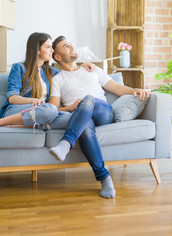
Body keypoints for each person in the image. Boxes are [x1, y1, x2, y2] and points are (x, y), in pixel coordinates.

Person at [47, 36, 151, 199]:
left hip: (103, 112)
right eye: (66, 46)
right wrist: (68, 107)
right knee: (86, 128)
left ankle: (66, 143)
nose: (72, 47)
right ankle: (105, 179)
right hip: (80, 116)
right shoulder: (57, 79)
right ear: (58, 57)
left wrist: (135, 90)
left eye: (71, 44)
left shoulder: (91, 69)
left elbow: (116, 88)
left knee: (88, 99)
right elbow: (52, 109)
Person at [0, 32, 93, 129]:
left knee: (70, 118)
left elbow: (69, 73)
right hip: (17, 109)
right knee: (50, 110)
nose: (52, 50)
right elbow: (12, 98)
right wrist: (34, 101)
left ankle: (17, 125)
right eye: (48, 47)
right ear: (37, 50)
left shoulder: (52, 72)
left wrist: (82, 66)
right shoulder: (19, 68)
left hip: (42, 111)